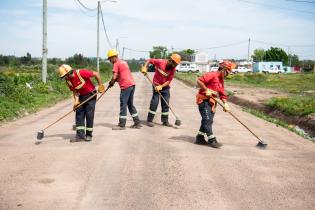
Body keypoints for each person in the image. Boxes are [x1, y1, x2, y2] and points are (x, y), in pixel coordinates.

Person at [58, 64, 105, 142]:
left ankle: (89, 135)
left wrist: (100, 85)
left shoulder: (81, 73)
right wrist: (76, 101)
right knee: (79, 113)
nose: (65, 78)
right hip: (81, 97)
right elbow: (75, 91)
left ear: (69, 72)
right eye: (63, 77)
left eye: (65, 76)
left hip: (91, 94)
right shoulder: (68, 81)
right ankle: (80, 135)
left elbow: (96, 74)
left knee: (89, 114)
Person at [195, 60, 234, 148]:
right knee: (207, 120)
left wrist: (225, 104)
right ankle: (212, 140)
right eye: (228, 72)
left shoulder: (221, 80)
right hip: (203, 101)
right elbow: (199, 81)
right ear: (223, 69)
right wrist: (206, 90)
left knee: (208, 120)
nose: (228, 74)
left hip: (212, 102)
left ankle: (199, 138)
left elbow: (222, 93)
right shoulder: (212, 75)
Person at [141, 54, 181, 127]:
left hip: (165, 87)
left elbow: (169, 81)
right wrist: (145, 67)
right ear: (171, 61)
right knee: (154, 103)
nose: (175, 66)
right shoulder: (160, 62)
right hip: (156, 85)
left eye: (176, 65)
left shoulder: (173, 70)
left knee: (166, 104)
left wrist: (161, 86)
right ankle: (149, 120)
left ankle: (165, 121)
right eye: (175, 64)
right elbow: (149, 60)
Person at [107, 49, 141, 130]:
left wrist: (111, 82)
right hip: (132, 85)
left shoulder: (116, 63)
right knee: (130, 104)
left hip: (125, 86)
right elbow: (121, 74)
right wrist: (114, 81)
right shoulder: (123, 62)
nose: (110, 60)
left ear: (114, 57)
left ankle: (122, 125)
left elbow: (115, 75)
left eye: (110, 58)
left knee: (123, 104)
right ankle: (137, 122)